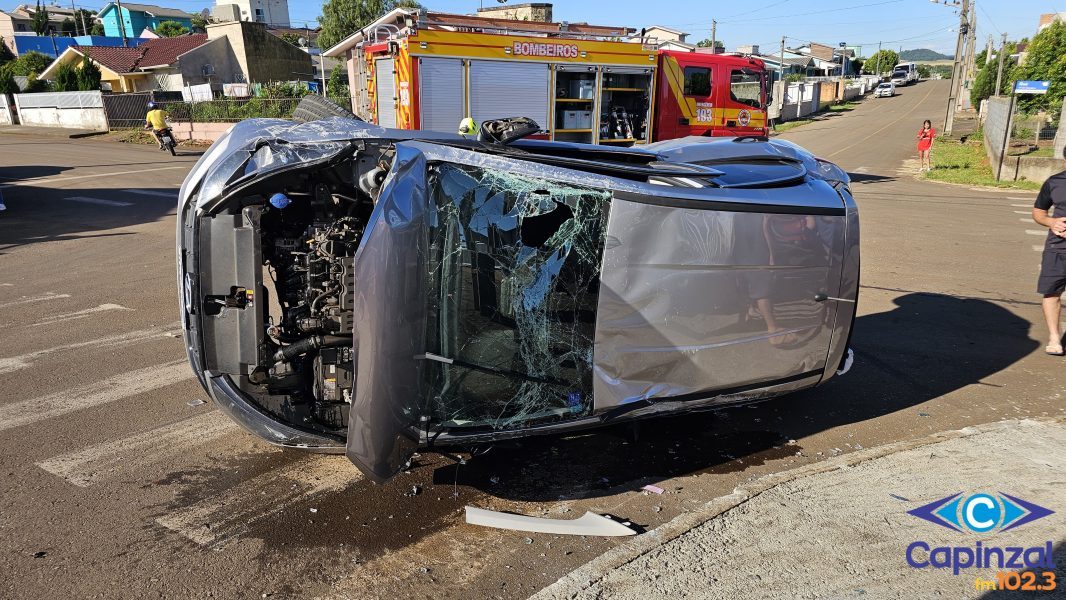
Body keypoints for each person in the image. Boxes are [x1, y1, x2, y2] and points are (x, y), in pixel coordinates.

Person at [1033, 146, 1066, 355]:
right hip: (1058, 247)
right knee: (1051, 291)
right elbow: (1038, 212)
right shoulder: (1054, 182)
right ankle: (1055, 338)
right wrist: (1051, 222)